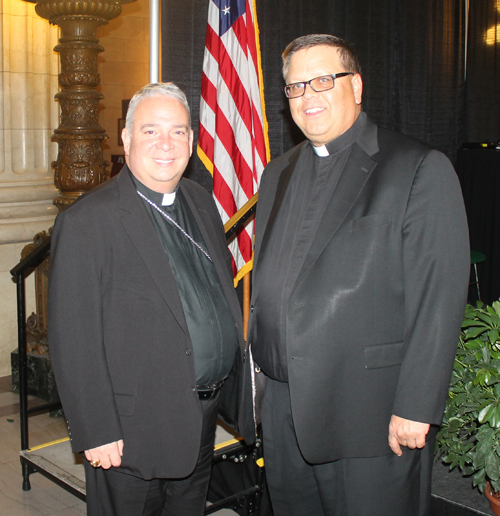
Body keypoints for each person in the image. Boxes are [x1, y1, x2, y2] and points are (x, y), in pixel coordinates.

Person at [242, 34, 470, 516]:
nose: (308, 96)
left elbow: (438, 299)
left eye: (324, 79)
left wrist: (416, 405)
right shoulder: (276, 173)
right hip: (284, 409)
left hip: (369, 412)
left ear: (358, 86)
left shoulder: (417, 168)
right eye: (296, 87)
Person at [48, 82, 244, 516]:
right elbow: (72, 336)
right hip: (131, 430)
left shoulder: (199, 200)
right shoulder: (87, 221)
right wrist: (95, 429)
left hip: (199, 419)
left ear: (191, 141)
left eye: (178, 132)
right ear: (127, 137)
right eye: (151, 131)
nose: (166, 144)